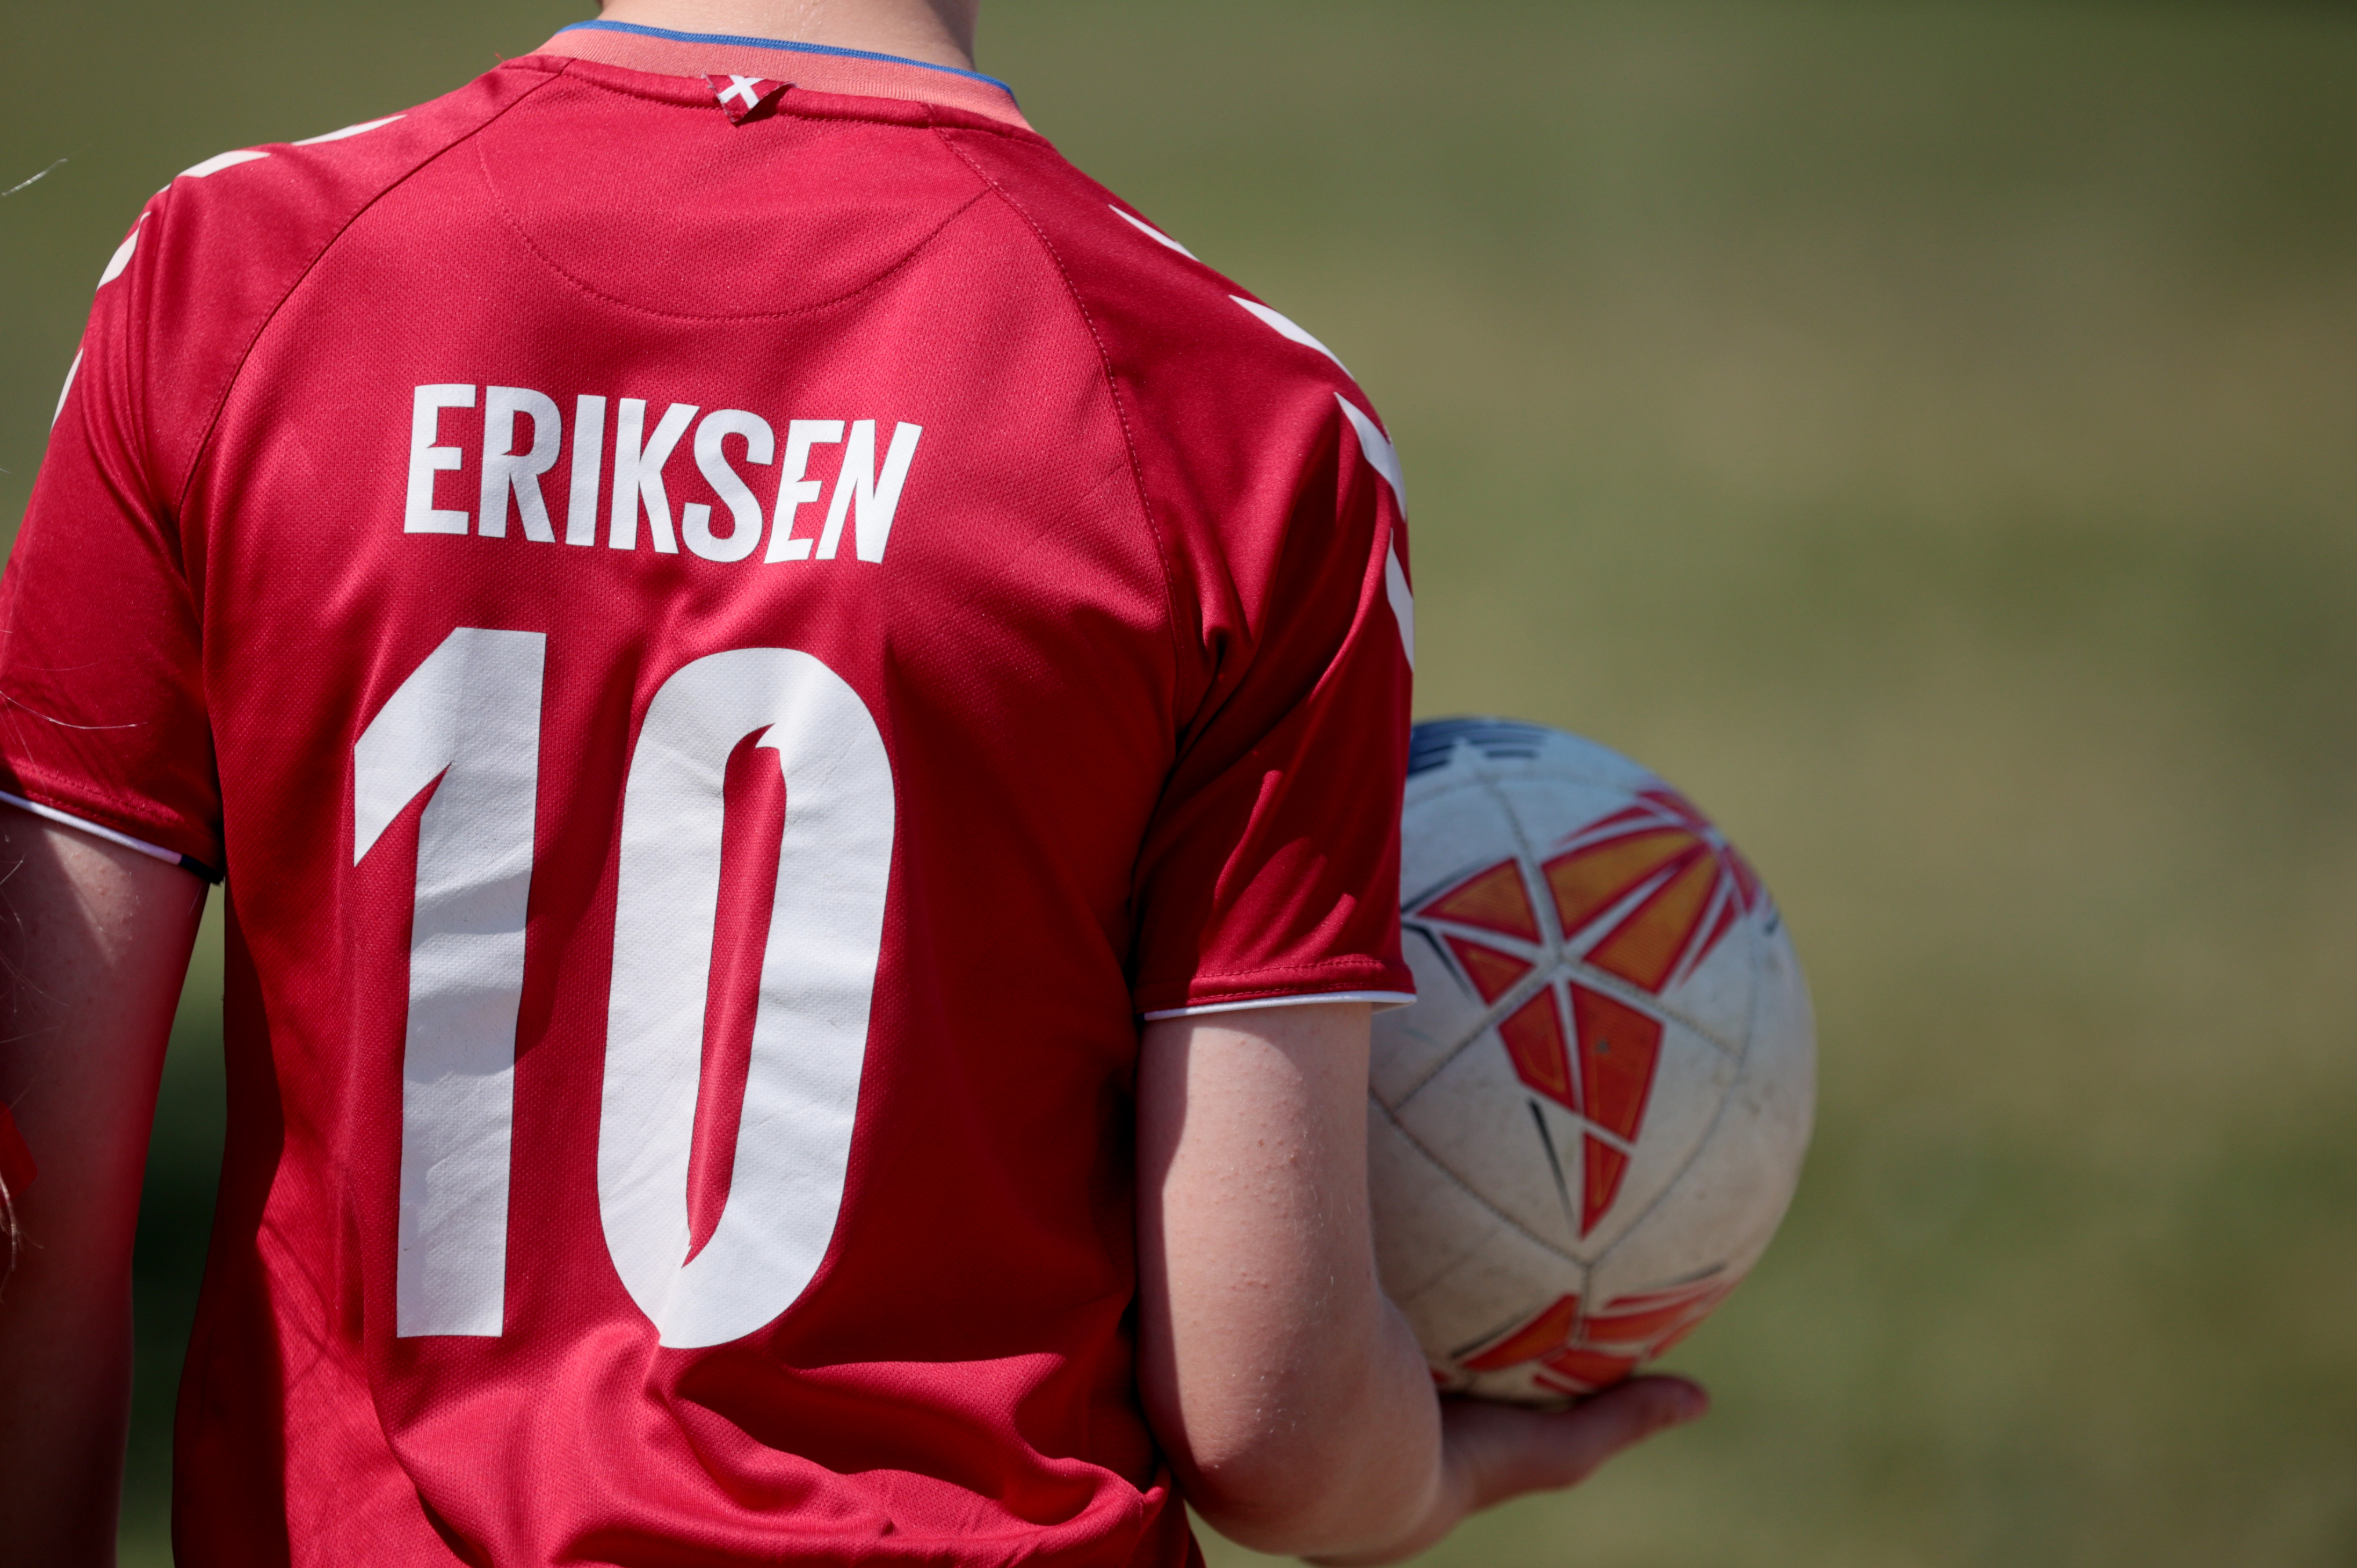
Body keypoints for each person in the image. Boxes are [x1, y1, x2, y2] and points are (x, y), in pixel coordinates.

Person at [0, 2, 1705, 1563]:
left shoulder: (232, 274)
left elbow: (31, 1201)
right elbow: (1266, 1407)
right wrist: (1429, 1471)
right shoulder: (1240, 423)